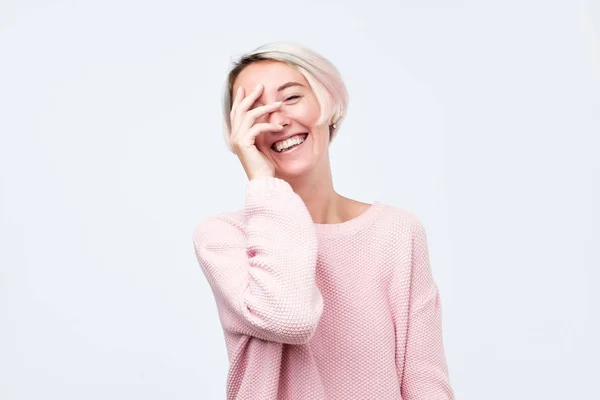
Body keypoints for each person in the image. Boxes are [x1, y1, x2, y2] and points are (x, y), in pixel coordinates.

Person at [192, 41, 455, 400]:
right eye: (255, 108)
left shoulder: (397, 232)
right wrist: (263, 184)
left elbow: (425, 379)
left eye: (291, 97)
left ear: (328, 105)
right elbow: (290, 316)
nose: (278, 119)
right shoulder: (225, 237)